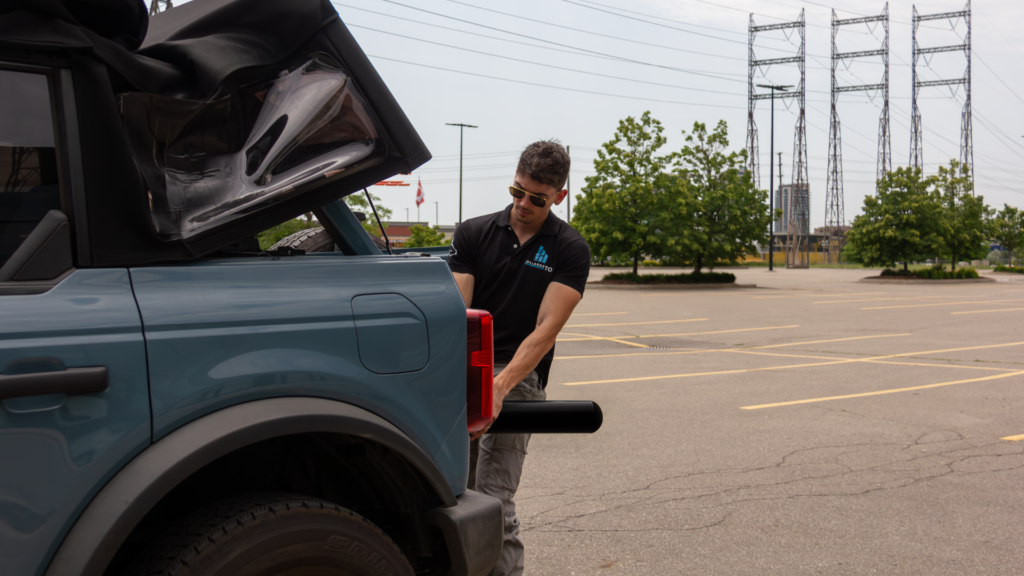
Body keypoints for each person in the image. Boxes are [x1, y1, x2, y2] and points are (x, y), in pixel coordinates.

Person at [447, 140, 591, 576]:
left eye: (537, 199)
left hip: (520, 378)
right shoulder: (473, 232)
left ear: (559, 197)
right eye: (517, 192)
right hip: (470, 370)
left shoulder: (569, 248)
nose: (523, 204)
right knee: (457, 494)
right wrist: (471, 381)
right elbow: (459, 312)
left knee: (493, 499)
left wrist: (500, 384)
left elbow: (546, 329)